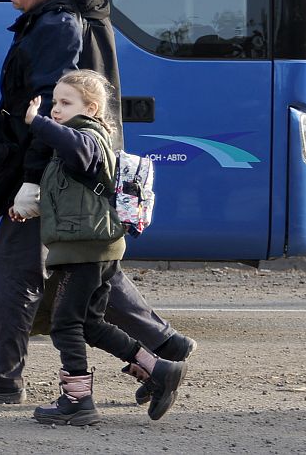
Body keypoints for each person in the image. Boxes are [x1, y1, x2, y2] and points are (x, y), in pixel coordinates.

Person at [0, 0, 195, 405]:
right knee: (88, 264)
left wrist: (32, 182)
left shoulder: (58, 27)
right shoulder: (65, 16)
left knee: (18, 270)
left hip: (58, 172)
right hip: (71, 171)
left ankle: (2, 378)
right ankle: (165, 346)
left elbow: (48, 112)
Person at [21, 70, 186, 424]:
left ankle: (78, 400)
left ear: (92, 108)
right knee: (91, 324)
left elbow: (77, 149)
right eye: (54, 103)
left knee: (65, 324)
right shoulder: (75, 140)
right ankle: (158, 370)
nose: (56, 109)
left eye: (66, 103)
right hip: (89, 248)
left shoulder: (88, 137)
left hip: (87, 251)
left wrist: (36, 121)